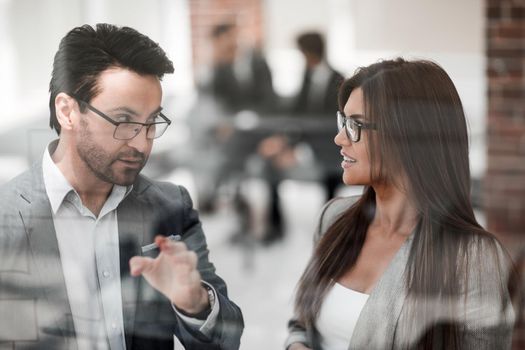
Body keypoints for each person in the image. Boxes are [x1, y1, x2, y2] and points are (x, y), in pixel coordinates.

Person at [0, 23, 243, 350]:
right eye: (124, 122)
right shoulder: (7, 216)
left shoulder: (171, 205)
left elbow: (224, 342)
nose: (142, 144)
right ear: (67, 110)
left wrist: (195, 303)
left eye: (152, 122)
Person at [285, 58, 516, 349]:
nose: (340, 138)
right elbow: (301, 323)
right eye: (343, 121)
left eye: (355, 125)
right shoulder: (333, 219)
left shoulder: (474, 258)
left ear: (408, 135)